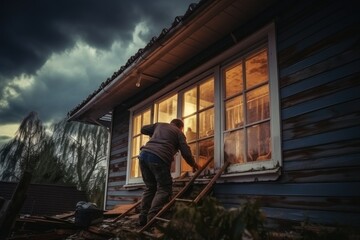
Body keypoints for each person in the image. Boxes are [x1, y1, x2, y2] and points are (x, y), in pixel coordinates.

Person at [138, 118, 200, 226]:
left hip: (143, 155)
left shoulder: (159, 125)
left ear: (171, 123)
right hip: (158, 157)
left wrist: (154, 135)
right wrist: (194, 165)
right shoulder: (178, 132)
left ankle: (142, 218)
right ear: (181, 127)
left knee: (150, 187)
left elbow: (143, 129)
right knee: (164, 188)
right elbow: (186, 152)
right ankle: (152, 219)